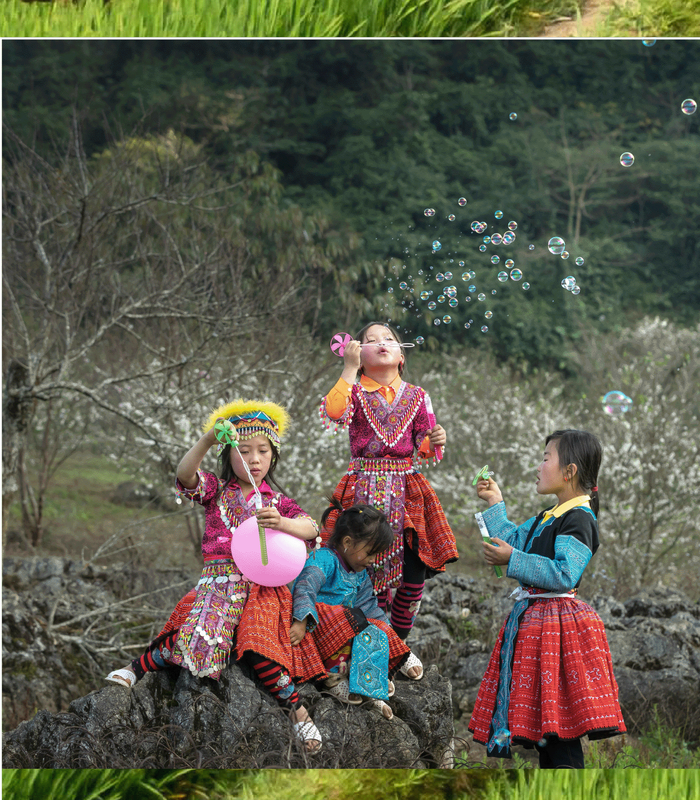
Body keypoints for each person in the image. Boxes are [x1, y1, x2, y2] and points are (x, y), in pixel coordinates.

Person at [107, 406, 332, 752]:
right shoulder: (215, 490)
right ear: (228, 456)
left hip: (263, 590)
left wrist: (283, 523)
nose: (254, 460)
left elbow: (312, 528)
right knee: (198, 636)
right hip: (219, 583)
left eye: (263, 451)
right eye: (243, 452)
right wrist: (209, 438)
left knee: (260, 648)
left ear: (274, 455)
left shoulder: (279, 502)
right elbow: (185, 476)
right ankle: (136, 668)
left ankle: (298, 713)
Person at [467, 428, 624, 771]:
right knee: (548, 736)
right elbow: (512, 541)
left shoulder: (579, 519)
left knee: (560, 734)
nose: (539, 467)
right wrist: (495, 504)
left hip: (560, 632)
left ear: (569, 471)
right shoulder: (547, 517)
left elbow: (565, 573)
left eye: (545, 458)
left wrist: (512, 560)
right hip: (538, 628)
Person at [320, 322, 453, 669]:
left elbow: (425, 449)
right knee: (367, 571)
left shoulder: (418, 395)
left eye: (389, 339)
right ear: (358, 355)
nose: (381, 343)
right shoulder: (354, 389)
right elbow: (334, 413)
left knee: (413, 571)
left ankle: (398, 646)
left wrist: (435, 440)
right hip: (363, 488)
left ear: (401, 356)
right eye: (370, 340)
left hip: (407, 490)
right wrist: (348, 369)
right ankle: (373, 649)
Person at [289, 499, 401, 703]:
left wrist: (387, 632)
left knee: (372, 628)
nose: (373, 561)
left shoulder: (360, 574)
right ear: (348, 542)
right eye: (370, 553)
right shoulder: (323, 559)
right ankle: (332, 679)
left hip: (344, 629)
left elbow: (369, 606)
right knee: (350, 618)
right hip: (317, 629)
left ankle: (369, 681)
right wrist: (301, 620)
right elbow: (306, 586)